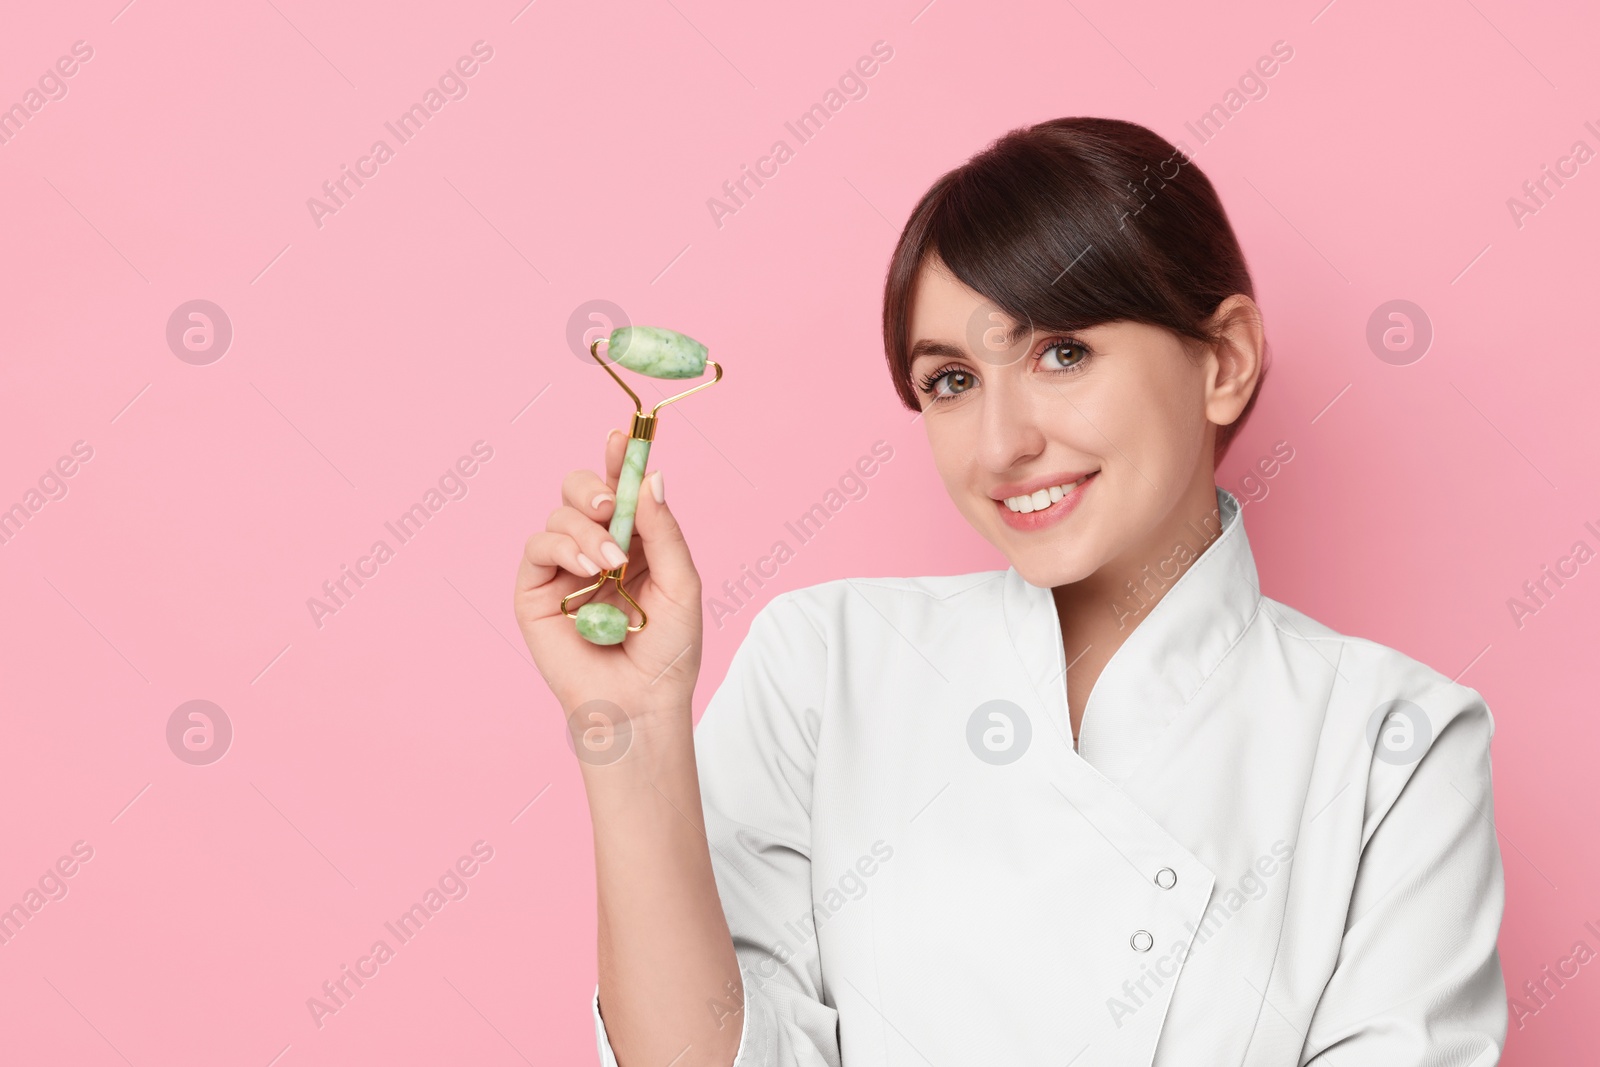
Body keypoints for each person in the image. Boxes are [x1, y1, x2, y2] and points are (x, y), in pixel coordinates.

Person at [514, 117, 1508, 1067]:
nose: (999, 445)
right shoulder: (827, 661)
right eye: (949, 379)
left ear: (1225, 362)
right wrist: (635, 732)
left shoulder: (1395, 743)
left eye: (1061, 352)